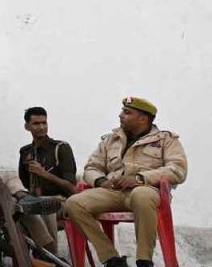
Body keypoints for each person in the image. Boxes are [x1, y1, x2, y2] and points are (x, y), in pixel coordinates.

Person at [64, 97, 188, 267]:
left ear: (143, 119)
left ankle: (144, 260)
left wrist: (140, 178)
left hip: (146, 190)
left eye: (127, 112)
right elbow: (92, 167)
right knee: (73, 203)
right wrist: (101, 181)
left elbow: (177, 170)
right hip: (112, 191)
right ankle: (112, 259)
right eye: (122, 111)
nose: (120, 115)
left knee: (141, 195)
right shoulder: (110, 140)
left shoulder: (166, 140)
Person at [17, 106, 77, 256]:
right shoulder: (25, 152)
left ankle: (48, 254)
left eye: (44, 123)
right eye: (36, 124)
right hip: (34, 201)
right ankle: (47, 253)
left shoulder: (61, 148)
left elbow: (71, 188)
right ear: (27, 127)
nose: (42, 127)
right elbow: (24, 181)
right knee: (22, 209)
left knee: (45, 206)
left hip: (62, 202)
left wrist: (45, 174)